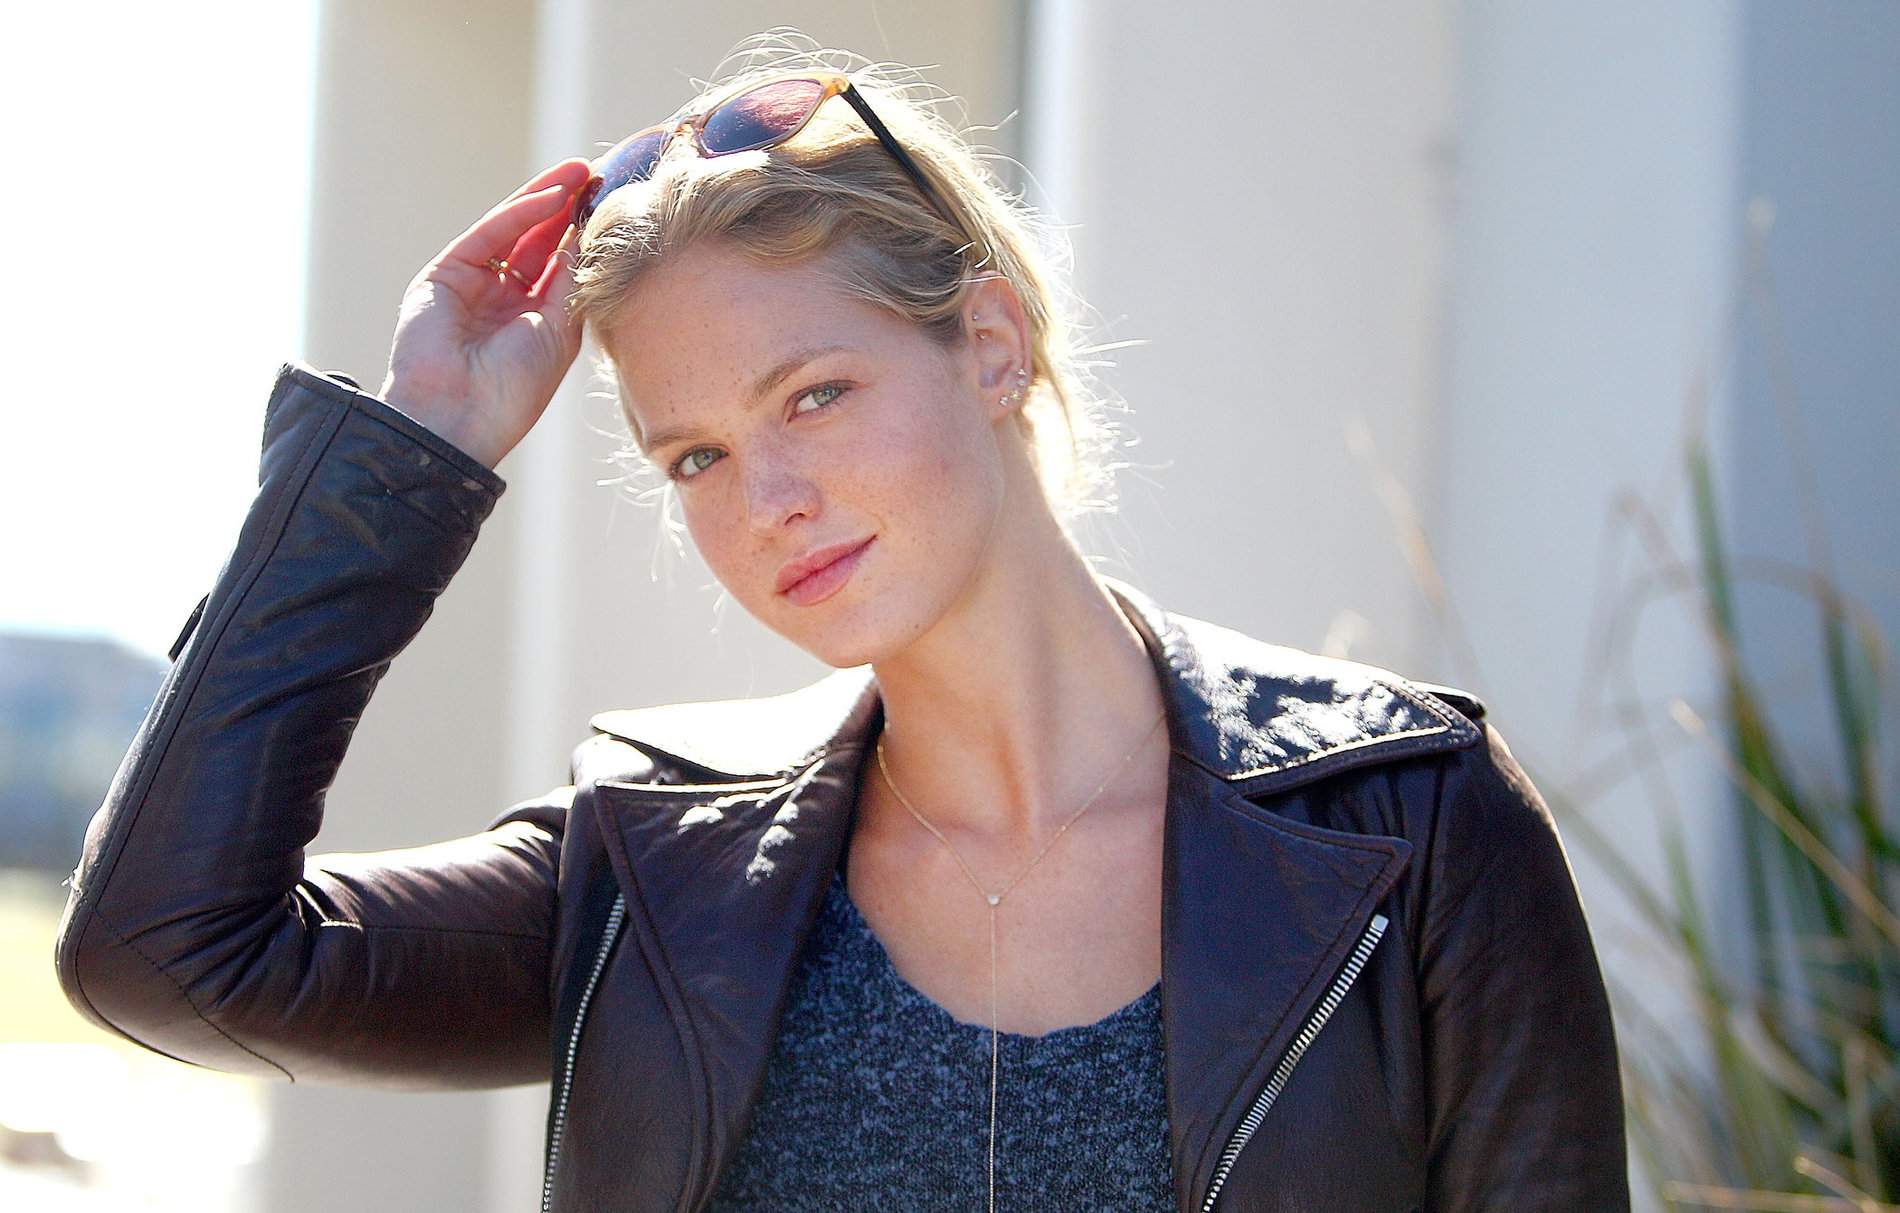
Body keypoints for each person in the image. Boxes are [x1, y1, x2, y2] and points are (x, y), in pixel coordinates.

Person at [56, 46, 1629, 1213]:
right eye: (698, 456)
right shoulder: (653, 872)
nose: (770, 498)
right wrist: (419, 443)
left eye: (814, 394)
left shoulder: (1405, 829)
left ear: (992, 343)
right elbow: (167, 952)